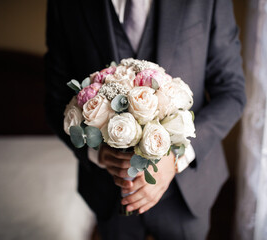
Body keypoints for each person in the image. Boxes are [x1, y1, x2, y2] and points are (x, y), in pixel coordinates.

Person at [44, 0, 246, 239]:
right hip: (109, 194)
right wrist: (96, 153)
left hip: (187, 193)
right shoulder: (65, 5)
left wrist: (176, 157)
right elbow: (56, 97)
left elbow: (231, 92)